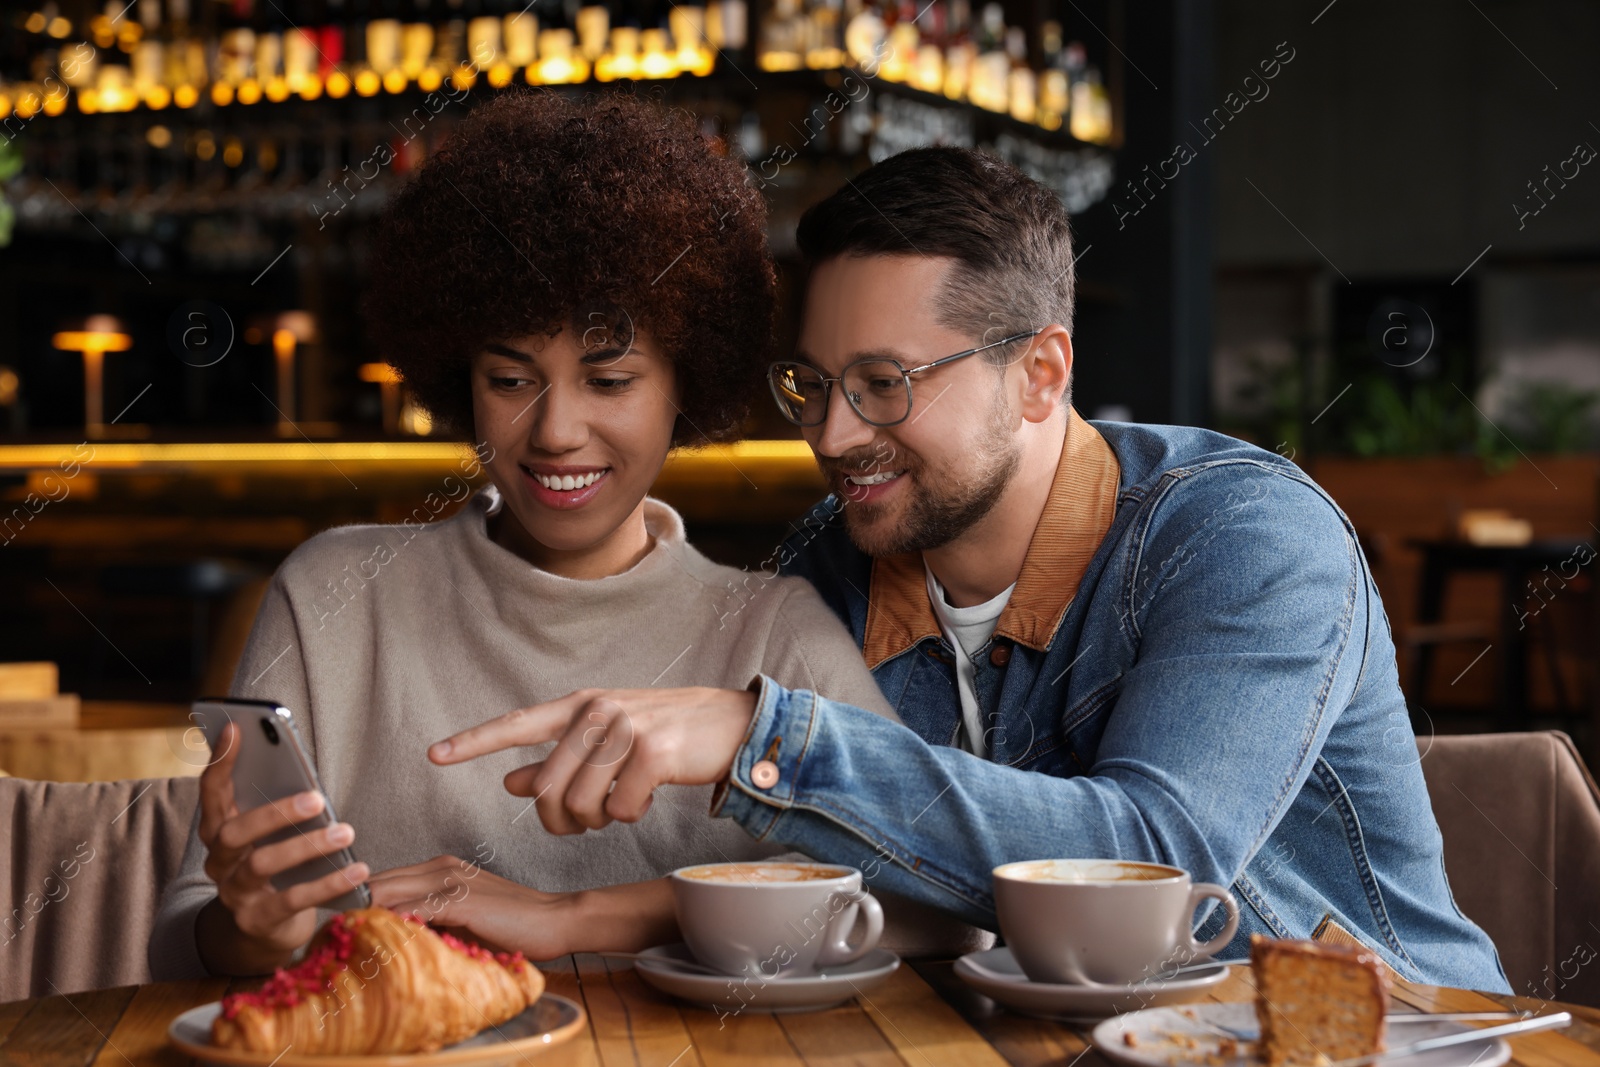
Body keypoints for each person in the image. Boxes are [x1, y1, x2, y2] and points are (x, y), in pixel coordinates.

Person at [426, 146, 1511, 992]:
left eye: (885, 383)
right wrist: (566, 916)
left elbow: (1155, 862)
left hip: (1386, 1038)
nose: (835, 433)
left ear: (1039, 373)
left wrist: (761, 737)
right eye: (811, 383)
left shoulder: (1245, 536)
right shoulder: (835, 560)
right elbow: (834, 883)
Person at [148, 92, 970, 979]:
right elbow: (185, 936)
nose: (554, 432)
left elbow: (941, 900)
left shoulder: (772, 630)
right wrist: (255, 927)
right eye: (511, 378)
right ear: (459, 378)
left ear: (683, 385)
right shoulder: (334, 594)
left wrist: (585, 918)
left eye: (611, 380)